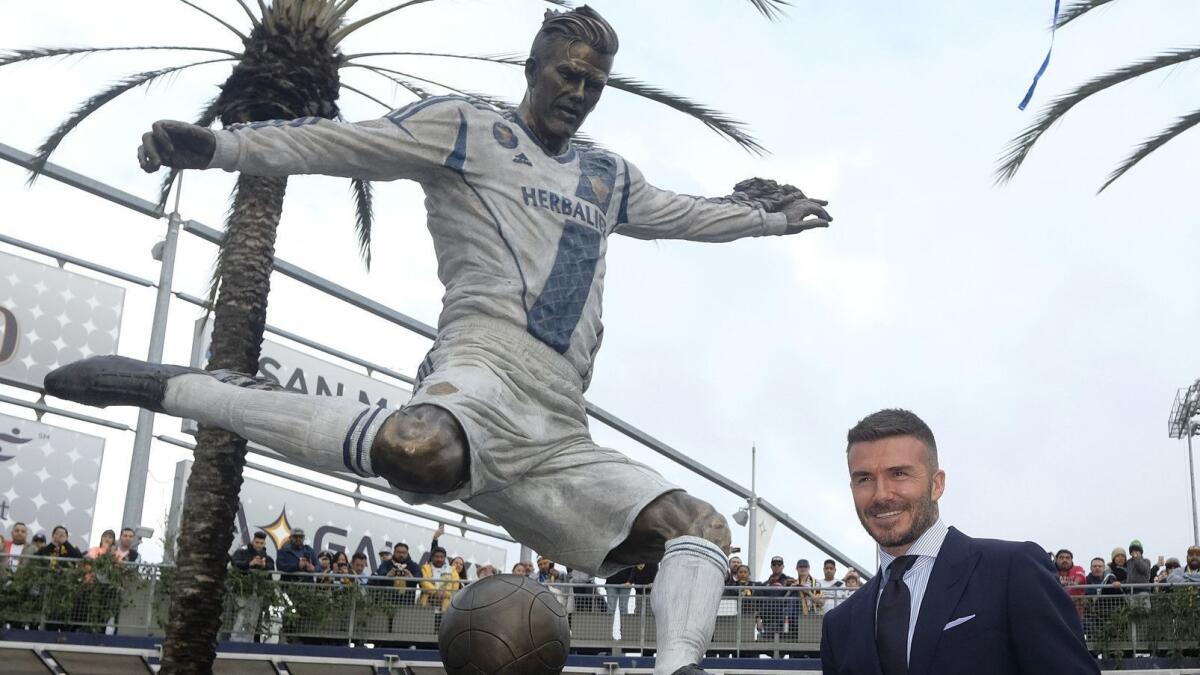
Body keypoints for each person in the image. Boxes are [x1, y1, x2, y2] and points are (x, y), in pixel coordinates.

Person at [45, 7, 831, 673]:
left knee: (701, 527)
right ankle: (183, 387)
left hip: (561, 424)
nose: (580, 93)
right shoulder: (465, 128)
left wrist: (763, 214)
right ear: (534, 66)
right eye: (568, 75)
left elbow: (684, 215)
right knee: (418, 452)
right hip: (480, 374)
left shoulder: (608, 175)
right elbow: (337, 143)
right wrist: (221, 147)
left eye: (594, 84)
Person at [820, 409, 1098, 675]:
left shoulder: (1012, 571)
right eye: (865, 479)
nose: (881, 494)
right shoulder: (840, 624)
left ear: (937, 484)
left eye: (899, 473)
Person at [420, 546, 460, 611]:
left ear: (445, 558)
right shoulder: (425, 568)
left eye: (442, 557)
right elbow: (424, 582)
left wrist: (445, 594)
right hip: (427, 605)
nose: (439, 559)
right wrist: (436, 591)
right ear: (432, 557)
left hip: (445, 607)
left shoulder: (452, 570)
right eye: (437, 556)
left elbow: (455, 588)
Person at [1054, 549, 1087, 618]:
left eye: (1067, 558)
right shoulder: (1051, 570)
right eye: (1061, 557)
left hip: (1076, 613)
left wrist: (1075, 583)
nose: (1065, 560)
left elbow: (1080, 576)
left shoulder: (1077, 568)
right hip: (1056, 611)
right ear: (1056, 560)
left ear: (1071, 560)